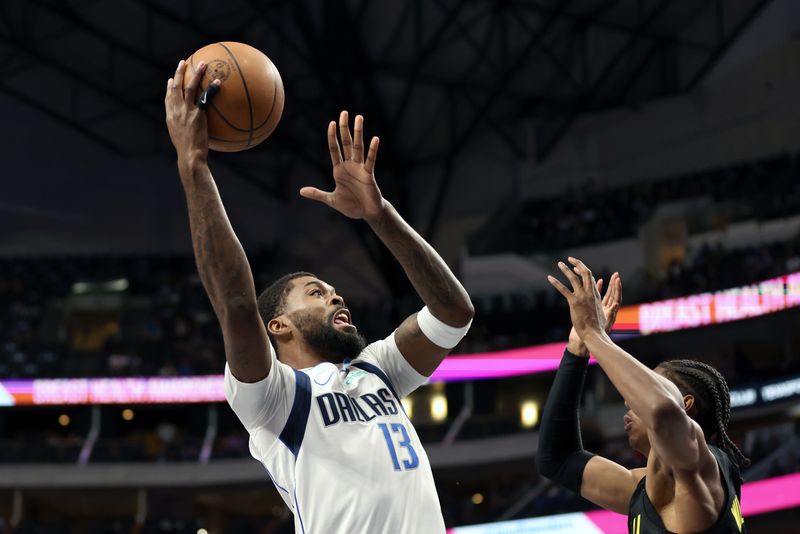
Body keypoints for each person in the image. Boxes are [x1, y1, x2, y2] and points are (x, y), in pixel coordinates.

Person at [164, 60, 473, 533]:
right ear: (279, 325)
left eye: (332, 291)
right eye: (315, 293)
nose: (336, 298)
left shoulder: (377, 369)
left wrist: (379, 215)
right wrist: (193, 164)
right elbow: (238, 306)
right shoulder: (275, 401)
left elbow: (453, 313)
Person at [538, 258, 748, 533]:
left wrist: (594, 334)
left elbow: (662, 410)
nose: (629, 399)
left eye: (647, 385)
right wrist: (577, 351)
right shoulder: (648, 487)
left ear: (685, 406)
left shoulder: (697, 468)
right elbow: (558, 459)